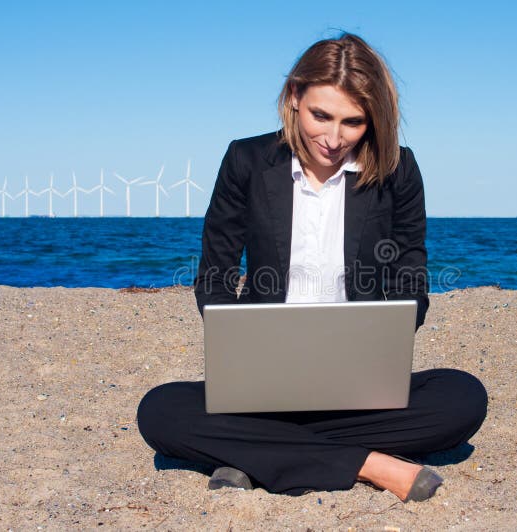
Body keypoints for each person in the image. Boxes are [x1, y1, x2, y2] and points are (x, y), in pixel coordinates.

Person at [137, 33, 487, 502]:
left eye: (353, 122)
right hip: (261, 392)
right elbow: (216, 271)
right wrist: (236, 343)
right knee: (158, 410)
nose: (333, 138)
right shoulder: (247, 159)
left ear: (373, 119)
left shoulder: (399, 169)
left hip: (359, 391)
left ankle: (253, 458)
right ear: (294, 97)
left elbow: (410, 272)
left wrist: (391, 330)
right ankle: (371, 464)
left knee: (463, 398)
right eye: (321, 115)